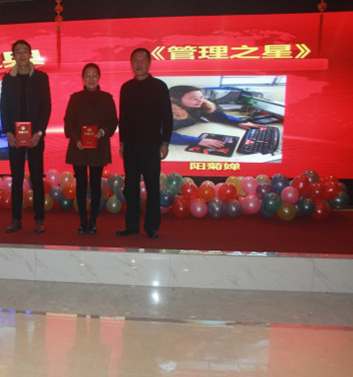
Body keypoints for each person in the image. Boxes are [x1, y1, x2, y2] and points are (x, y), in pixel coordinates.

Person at [117, 48, 173, 239]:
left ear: (149, 63)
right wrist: (122, 142)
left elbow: (167, 117)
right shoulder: (126, 87)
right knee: (131, 187)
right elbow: (123, 118)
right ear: (131, 63)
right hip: (131, 146)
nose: (139, 64)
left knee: (152, 187)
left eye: (142, 60)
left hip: (152, 145)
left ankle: (152, 227)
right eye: (135, 60)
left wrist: (165, 142)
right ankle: (131, 226)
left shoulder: (159, 86)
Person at [0, 39, 51, 234]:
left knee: (37, 178)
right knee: (17, 178)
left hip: (35, 136)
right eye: (18, 51)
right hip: (15, 137)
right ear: (13, 56)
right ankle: (16, 219)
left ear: (30, 55)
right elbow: (3, 107)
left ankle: (39, 219)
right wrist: (8, 132)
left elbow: (46, 107)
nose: (22, 54)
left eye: (25, 51)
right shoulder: (8, 79)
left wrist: (39, 132)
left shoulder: (41, 78)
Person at [64, 63, 118, 234]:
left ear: (99, 77)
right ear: (83, 78)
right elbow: (68, 122)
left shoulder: (107, 98)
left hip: (98, 147)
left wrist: (102, 131)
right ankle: (82, 220)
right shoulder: (75, 98)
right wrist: (76, 139)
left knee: (95, 185)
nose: (91, 79)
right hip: (79, 147)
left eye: (94, 75)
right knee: (80, 185)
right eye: (88, 75)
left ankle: (93, 220)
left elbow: (113, 122)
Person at [169, 85, 264, 148]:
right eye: (194, 99)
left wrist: (239, 122)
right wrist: (197, 141)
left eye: (201, 97)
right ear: (174, 99)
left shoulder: (199, 106)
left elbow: (216, 115)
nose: (200, 101)